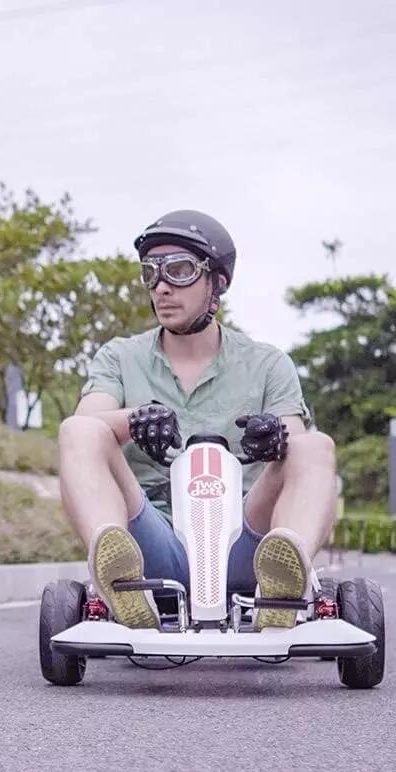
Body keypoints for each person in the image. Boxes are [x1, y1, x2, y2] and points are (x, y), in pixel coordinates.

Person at [58, 210, 336, 630]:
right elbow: (87, 424)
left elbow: (295, 443)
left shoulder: (268, 363)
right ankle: (120, 581)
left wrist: (275, 437)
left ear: (217, 282)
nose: (162, 286)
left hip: (244, 540)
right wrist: (134, 420)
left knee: (314, 445)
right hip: (152, 542)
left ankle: (282, 585)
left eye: (180, 270)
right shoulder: (119, 357)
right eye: (151, 273)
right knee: (77, 430)